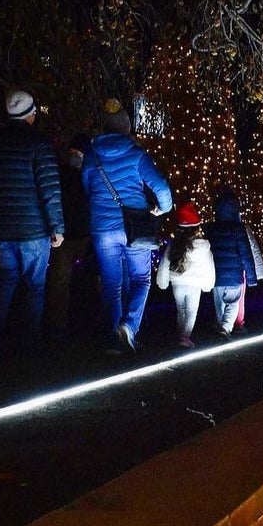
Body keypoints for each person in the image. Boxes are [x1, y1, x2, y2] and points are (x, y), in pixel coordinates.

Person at [82, 98, 172, 353]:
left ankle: (115, 339)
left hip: (102, 229)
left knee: (112, 285)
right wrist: (161, 208)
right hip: (134, 227)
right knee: (142, 278)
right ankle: (130, 327)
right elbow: (161, 186)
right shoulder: (136, 154)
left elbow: (87, 190)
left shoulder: (91, 156)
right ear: (125, 127)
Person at [0, 89, 64, 354]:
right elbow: (49, 190)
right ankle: (31, 343)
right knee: (34, 287)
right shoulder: (39, 144)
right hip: (33, 230)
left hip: (2, 228)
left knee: (5, 282)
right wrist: (57, 227)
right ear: (31, 115)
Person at [45, 133, 92, 342]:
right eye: (73, 151)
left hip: (83, 233)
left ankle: (82, 319)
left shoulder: (87, 174)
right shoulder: (64, 173)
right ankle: (58, 324)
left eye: (78, 151)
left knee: (75, 278)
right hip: (69, 234)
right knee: (60, 280)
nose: (75, 155)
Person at [155, 202, 215, 348]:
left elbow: (165, 264)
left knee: (181, 310)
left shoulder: (174, 244)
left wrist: (162, 282)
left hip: (177, 283)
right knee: (191, 312)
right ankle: (185, 337)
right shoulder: (203, 246)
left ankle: (181, 335)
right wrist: (208, 285)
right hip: (194, 285)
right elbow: (209, 266)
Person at [203, 191, 257, 337]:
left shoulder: (210, 229)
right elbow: (246, 254)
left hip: (216, 275)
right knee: (233, 302)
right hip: (234, 276)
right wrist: (251, 278)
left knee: (219, 303)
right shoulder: (238, 230)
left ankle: (221, 325)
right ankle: (226, 327)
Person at [233, 219, 263, 335]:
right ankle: (238, 323)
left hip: (222, 268)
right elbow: (252, 248)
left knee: (221, 297)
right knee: (239, 297)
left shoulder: (217, 228)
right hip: (239, 267)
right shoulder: (242, 227)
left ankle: (224, 324)